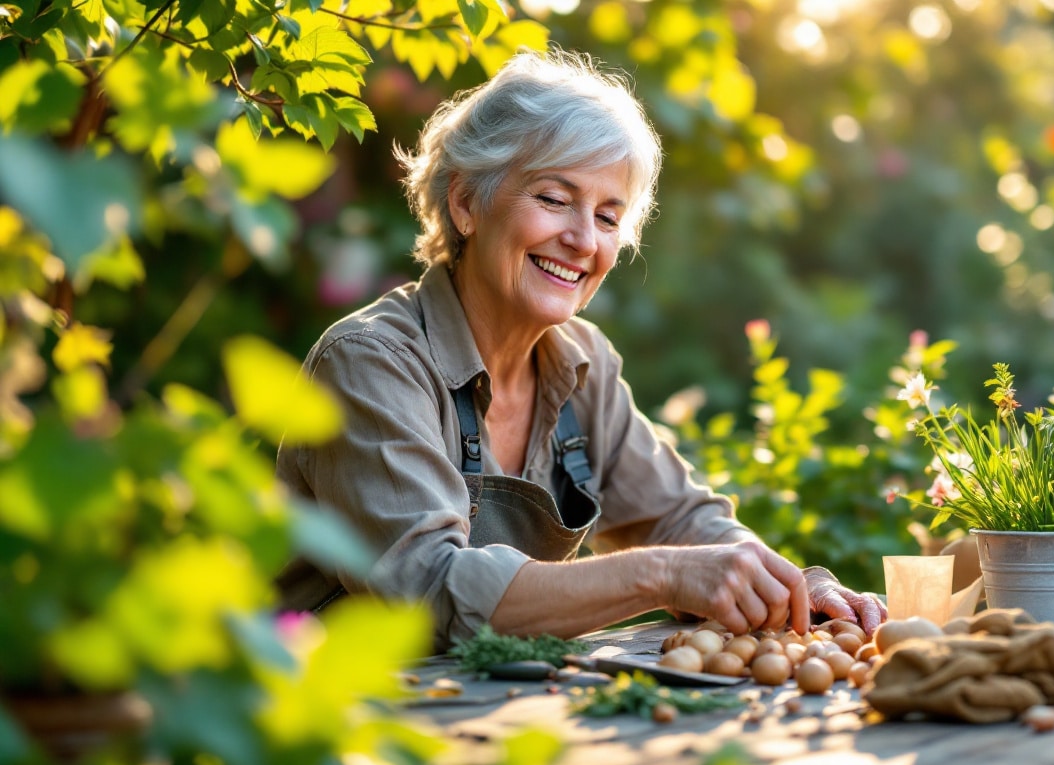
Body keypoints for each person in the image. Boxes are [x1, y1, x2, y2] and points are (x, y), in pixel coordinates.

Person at [275, 48, 885, 650]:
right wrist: (662, 575)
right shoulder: (369, 362)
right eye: (554, 198)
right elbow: (431, 592)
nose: (581, 240)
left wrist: (790, 583)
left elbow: (679, 521)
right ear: (465, 203)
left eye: (608, 216)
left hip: (487, 713)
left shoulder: (580, 361)